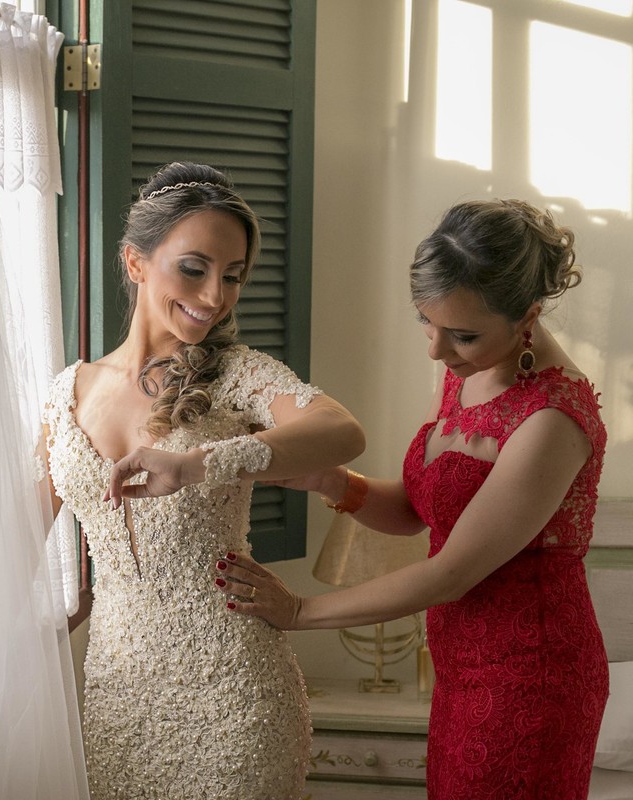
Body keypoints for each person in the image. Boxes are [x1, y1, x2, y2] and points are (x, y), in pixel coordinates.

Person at [109, 198, 608, 799]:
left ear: (527, 315)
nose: (437, 351)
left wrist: (301, 613)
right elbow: (421, 512)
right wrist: (336, 484)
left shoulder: (553, 418)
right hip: (462, 666)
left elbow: (452, 572)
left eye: (463, 335)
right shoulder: (469, 367)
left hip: (533, 672)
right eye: (428, 322)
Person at [40, 162, 365, 799]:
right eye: (195, 268)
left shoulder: (238, 374)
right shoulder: (64, 394)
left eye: (233, 276)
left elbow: (342, 432)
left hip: (235, 690)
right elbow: (19, 532)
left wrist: (200, 463)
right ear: (135, 262)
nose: (215, 296)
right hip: (118, 693)